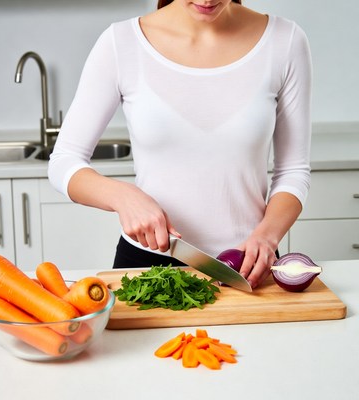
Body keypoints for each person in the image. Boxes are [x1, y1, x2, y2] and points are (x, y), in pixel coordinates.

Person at [48, 0, 312, 289]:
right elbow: (64, 161)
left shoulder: (285, 41)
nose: (207, 0)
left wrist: (268, 235)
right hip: (149, 266)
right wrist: (122, 197)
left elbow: (293, 170)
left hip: (250, 267)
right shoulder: (120, 43)